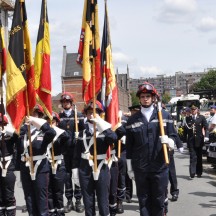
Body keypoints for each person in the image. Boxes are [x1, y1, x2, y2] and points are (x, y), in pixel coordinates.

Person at [126, 82, 178, 216]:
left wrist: (169, 141)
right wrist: (129, 167)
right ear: (139, 98)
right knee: (143, 201)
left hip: (159, 166)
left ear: (153, 97)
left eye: (148, 96)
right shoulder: (132, 120)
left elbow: (174, 136)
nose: (145, 98)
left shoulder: (164, 116)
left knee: (159, 200)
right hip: (141, 168)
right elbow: (129, 146)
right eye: (142, 96)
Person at [73, 100, 118, 216]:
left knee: (103, 201)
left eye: (95, 112)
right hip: (85, 169)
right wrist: (75, 172)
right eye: (89, 112)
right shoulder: (82, 133)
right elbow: (76, 155)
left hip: (101, 167)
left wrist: (100, 123)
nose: (91, 115)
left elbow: (113, 138)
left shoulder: (105, 130)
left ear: (99, 114)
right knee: (88, 201)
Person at [17, 104, 56, 215]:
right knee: (29, 198)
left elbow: (51, 133)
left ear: (38, 115)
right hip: (26, 168)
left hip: (40, 169)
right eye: (28, 114)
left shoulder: (44, 131)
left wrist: (35, 121)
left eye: (33, 114)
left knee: (41, 199)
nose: (29, 116)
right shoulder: (23, 131)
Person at [58, 92, 85, 213]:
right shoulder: (59, 117)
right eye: (64, 102)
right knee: (67, 176)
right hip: (64, 151)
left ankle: (78, 200)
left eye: (68, 102)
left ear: (71, 103)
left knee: (76, 175)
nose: (66, 103)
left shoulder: (78, 115)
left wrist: (79, 136)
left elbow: (85, 131)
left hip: (76, 150)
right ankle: (69, 201)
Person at [45, 112, 70, 216]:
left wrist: (53, 129)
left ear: (57, 123)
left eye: (53, 122)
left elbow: (67, 136)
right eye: (48, 122)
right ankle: (51, 212)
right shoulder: (43, 134)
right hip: (46, 164)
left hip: (59, 164)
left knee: (58, 191)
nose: (51, 124)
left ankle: (60, 212)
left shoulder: (61, 134)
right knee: (49, 191)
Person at [0, 114, 18, 215]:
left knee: (9, 195)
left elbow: (19, 137)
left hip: (8, 165)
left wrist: (9, 131)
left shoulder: (9, 134)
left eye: (2, 123)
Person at [184, 105, 209, 178]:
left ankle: (199, 172)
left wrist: (206, 136)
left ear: (197, 110)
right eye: (192, 110)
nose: (193, 111)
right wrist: (184, 141)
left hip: (200, 140)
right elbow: (185, 130)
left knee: (199, 157)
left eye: (194, 110)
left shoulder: (201, 117)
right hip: (191, 141)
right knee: (193, 156)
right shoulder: (187, 119)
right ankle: (192, 172)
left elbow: (206, 127)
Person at [125, 105, 141, 204]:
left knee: (139, 178)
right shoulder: (127, 121)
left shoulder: (140, 121)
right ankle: (128, 194)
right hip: (129, 151)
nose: (133, 113)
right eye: (132, 112)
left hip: (139, 153)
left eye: (135, 112)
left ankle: (141, 196)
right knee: (129, 175)